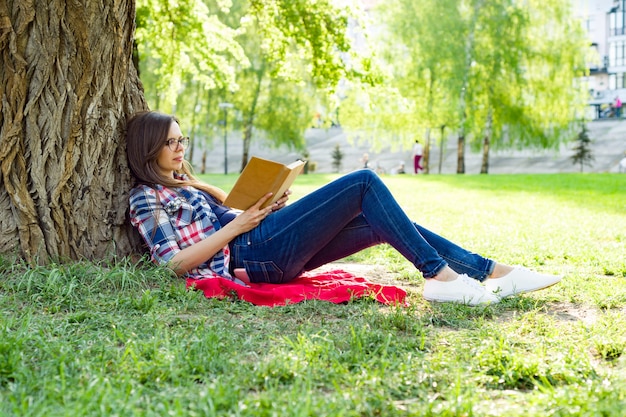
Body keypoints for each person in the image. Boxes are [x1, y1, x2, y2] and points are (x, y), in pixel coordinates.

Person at [126, 111, 562, 306]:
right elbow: (172, 264)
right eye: (170, 142)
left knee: (372, 218)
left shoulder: (187, 184)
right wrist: (239, 224)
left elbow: (232, 218)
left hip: (261, 241)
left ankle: (491, 273)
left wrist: (268, 205)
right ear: (149, 149)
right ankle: (440, 276)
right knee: (364, 182)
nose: (180, 147)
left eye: (182, 139)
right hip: (248, 255)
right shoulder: (147, 196)